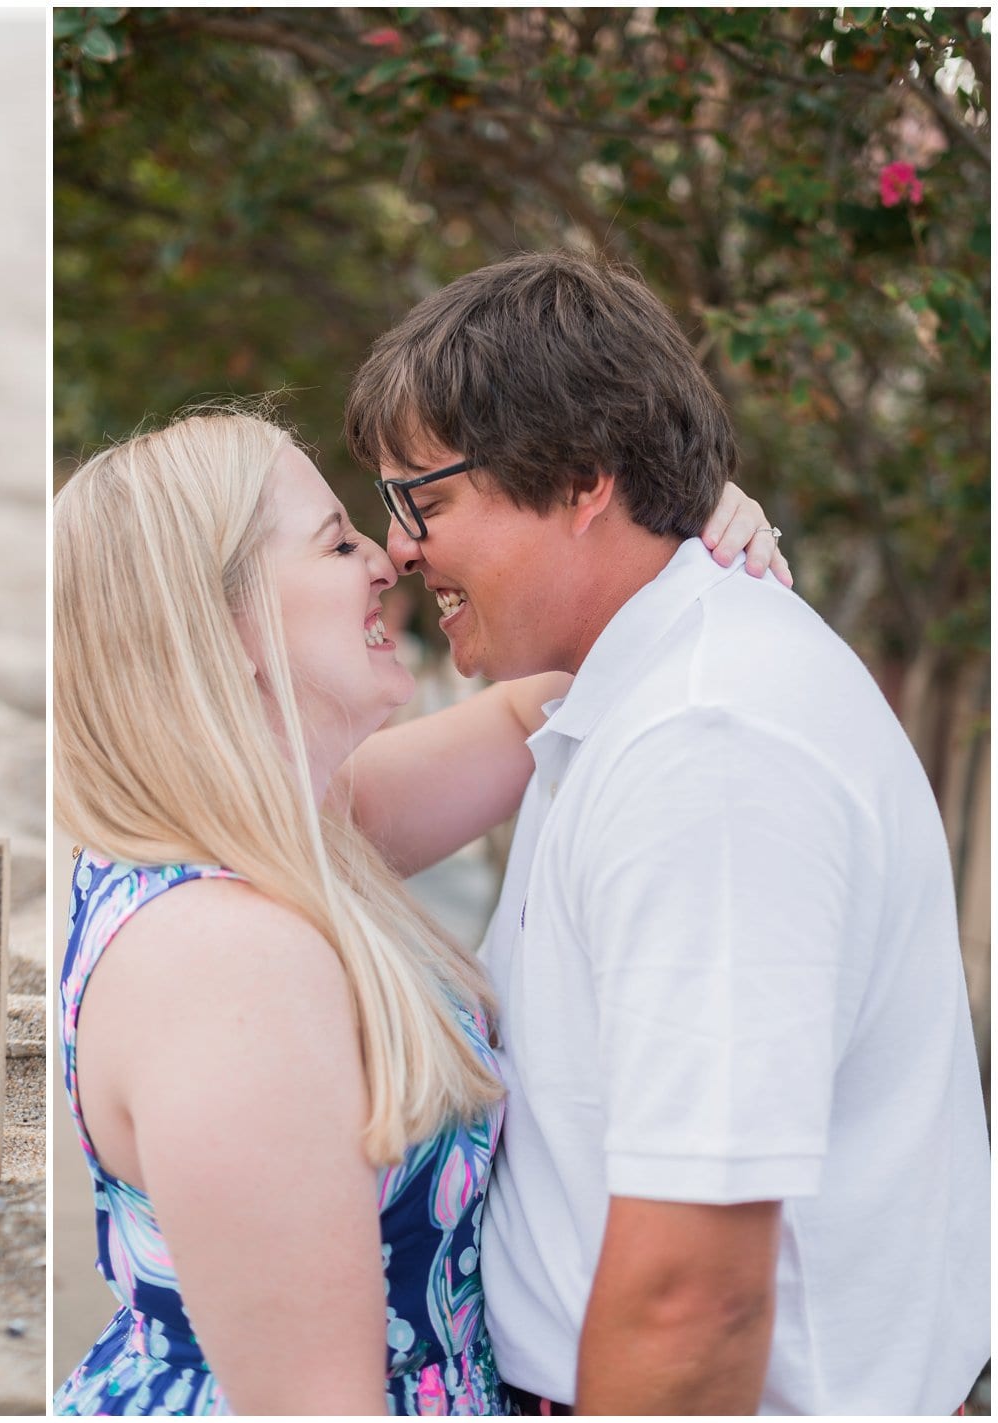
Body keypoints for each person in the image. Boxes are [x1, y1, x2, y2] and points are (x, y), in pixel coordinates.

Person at [344, 249, 990, 1415]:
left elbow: (696, 1291)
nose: (398, 548)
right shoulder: (621, 689)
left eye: (424, 501)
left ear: (583, 476)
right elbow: (312, 819)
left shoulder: (708, 744)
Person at [52, 404, 785, 1415]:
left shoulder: (295, 828)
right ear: (224, 621)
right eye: (335, 539)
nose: (386, 557)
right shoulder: (222, 959)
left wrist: (683, 532)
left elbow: (563, 692)